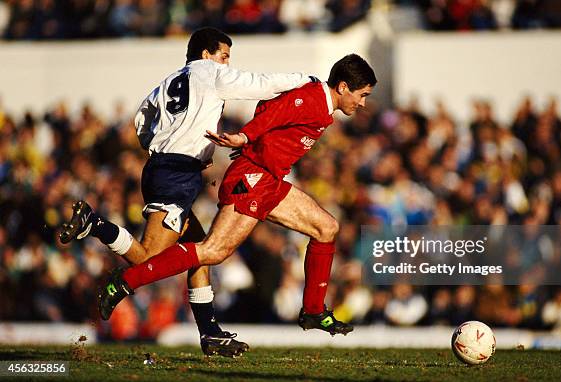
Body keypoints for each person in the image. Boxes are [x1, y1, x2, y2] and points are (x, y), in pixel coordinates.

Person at [59, 27, 315, 357]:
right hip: (177, 174)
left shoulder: (169, 81)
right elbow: (261, 84)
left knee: (199, 250)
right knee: (150, 259)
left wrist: (167, 146)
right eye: (224, 55)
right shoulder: (210, 72)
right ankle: (95, 225)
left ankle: (209, 332)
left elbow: (141, 121)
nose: (227, 62)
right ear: (206, 55)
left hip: (161, 167)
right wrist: (307, 80)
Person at [97, 53, 377, 336]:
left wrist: (254, 143)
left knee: (326, 227)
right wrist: (246, 138)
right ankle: (125, 282)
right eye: (362, 95)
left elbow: (268, 104)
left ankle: (314, 311)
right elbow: (276, 111)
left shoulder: (319, 101)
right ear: (343, 87)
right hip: (252, 178)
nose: (363, 103)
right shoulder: (313, 99)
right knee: (213, 251)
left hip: (269, 179)